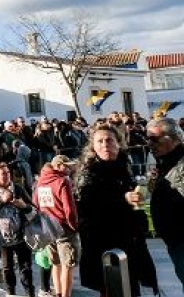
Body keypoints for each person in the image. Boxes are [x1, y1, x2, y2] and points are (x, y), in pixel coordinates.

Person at [74, 123, 156, 296]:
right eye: (100, 141)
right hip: (104, 244)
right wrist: (122, 198)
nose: (105, 145)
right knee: (113, 289)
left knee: (132, 288)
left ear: (118, 143)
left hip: (129, 241)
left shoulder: (123, 166)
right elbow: (88, 204)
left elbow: (131, 197)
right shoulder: (87, 173)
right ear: (93, 146)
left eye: (109, 140)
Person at [0, 162, 35, 297]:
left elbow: (32, 207)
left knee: (26, 267)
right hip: (2, 237)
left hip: (21, 234)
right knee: (7, 268)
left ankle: (30, 293)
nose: (7, 176)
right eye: (3, 174)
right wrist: (1, 201)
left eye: (8, 173)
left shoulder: (17, 188)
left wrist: (24, 206)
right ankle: (11, 292)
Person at [145, 117, 184, 291]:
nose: (149, 144)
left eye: (154, 139)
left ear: (174, 139)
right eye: (148, 139)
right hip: (174, 240)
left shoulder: (181, 165)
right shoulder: (166, 163)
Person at [33, 155, 79, 297]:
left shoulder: (40, 182)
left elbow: (35, 204)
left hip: (48, 228)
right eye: (66, 166)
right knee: (67, 266)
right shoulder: (62, 181)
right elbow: (69, 210)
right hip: (64, 228)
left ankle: (58, 293)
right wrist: (74, 226)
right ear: (58, 166)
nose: (69, 169)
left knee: (55, 263)